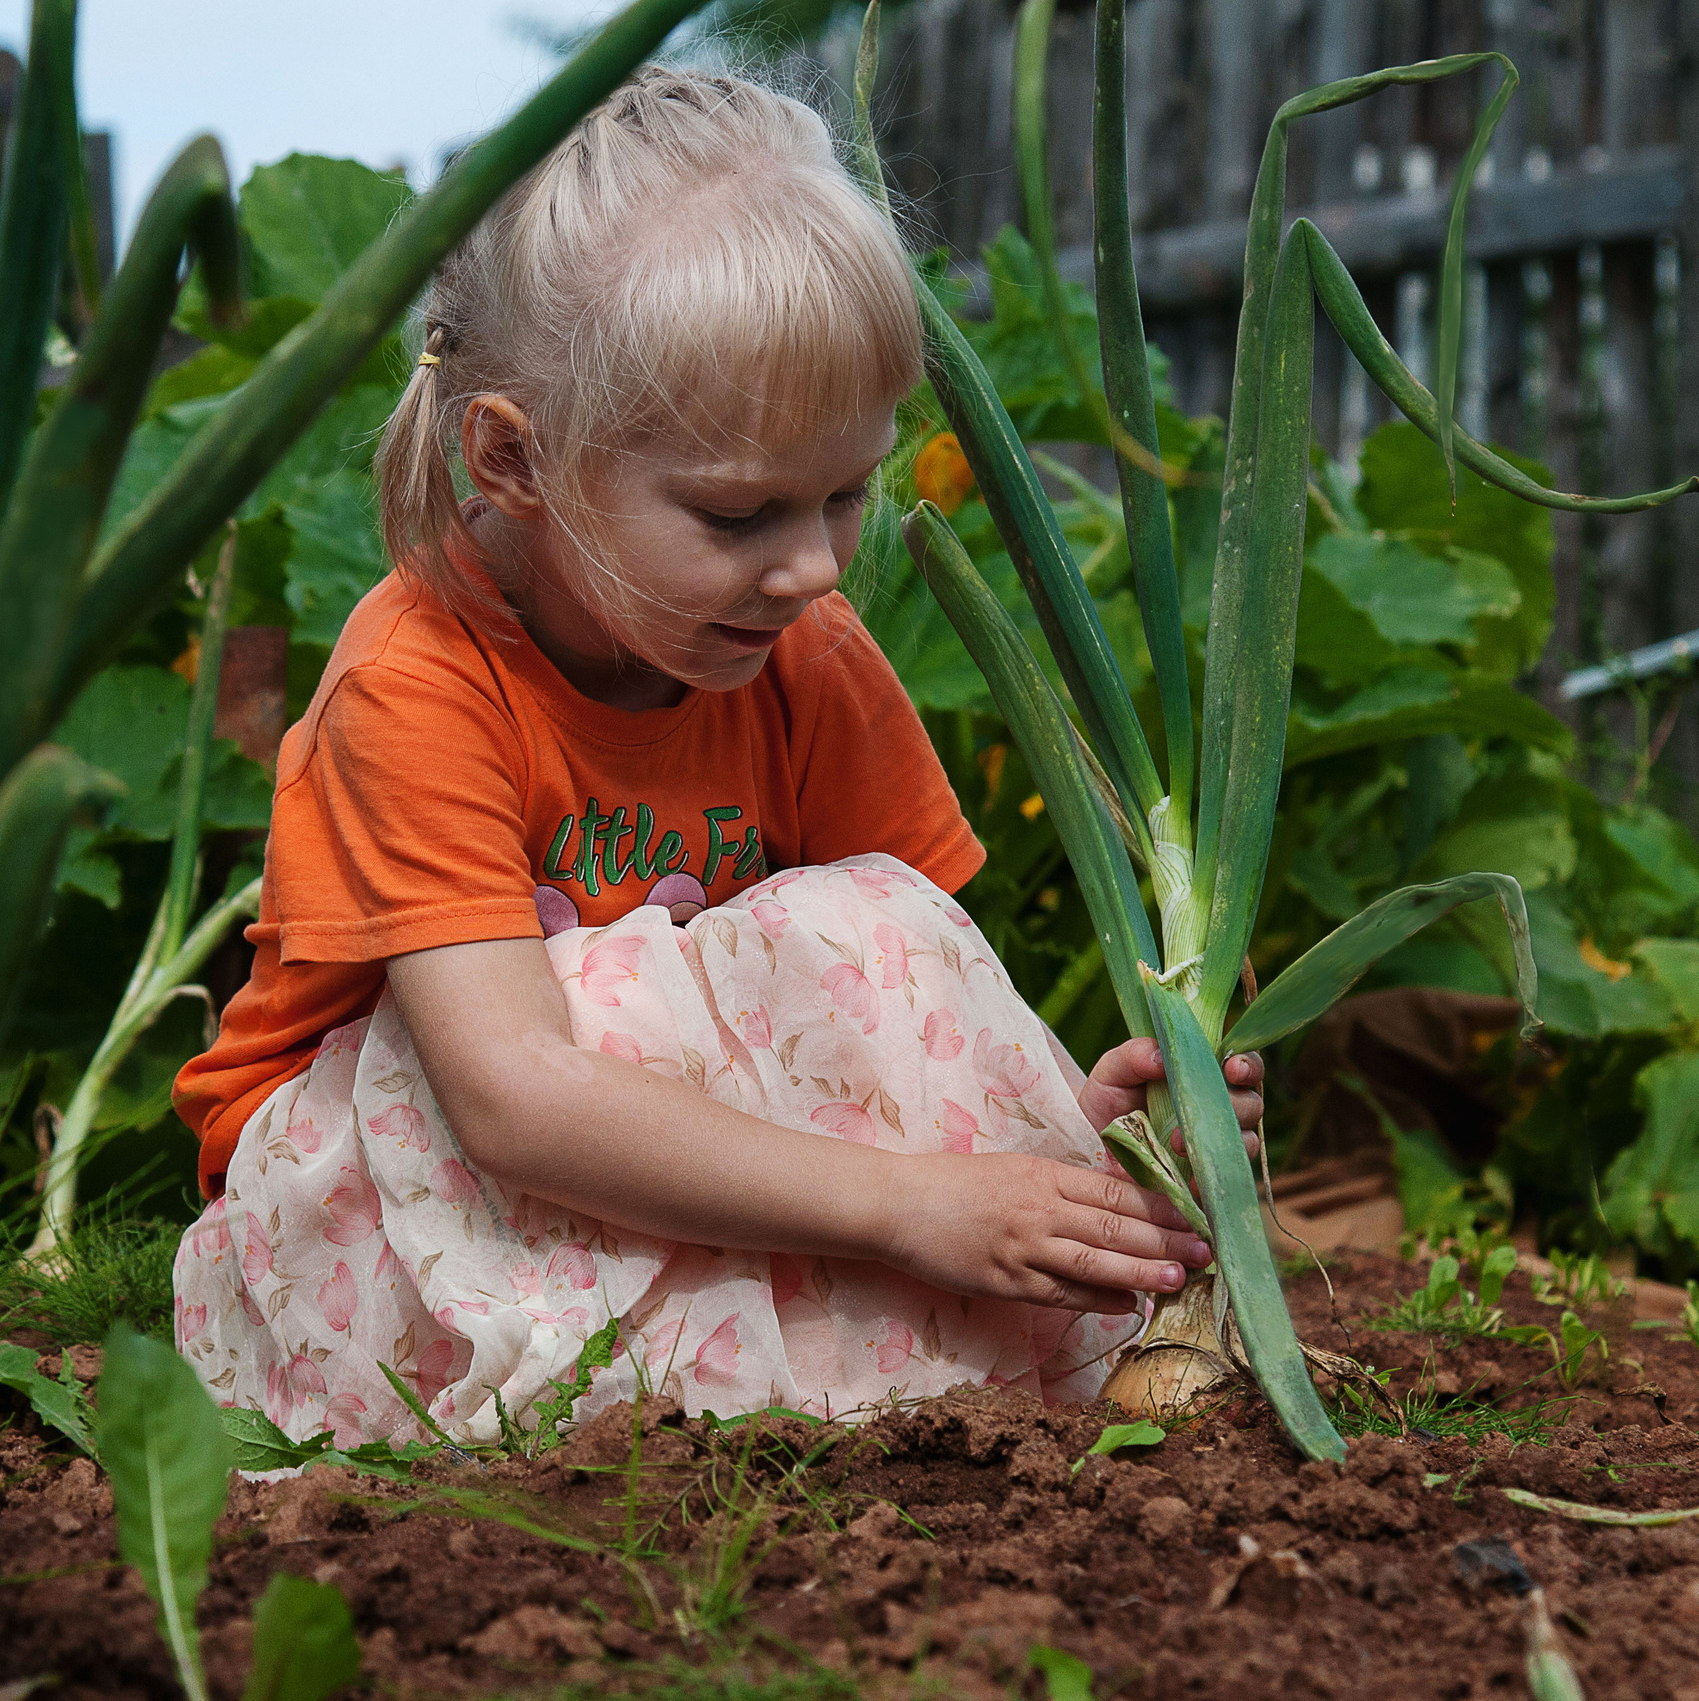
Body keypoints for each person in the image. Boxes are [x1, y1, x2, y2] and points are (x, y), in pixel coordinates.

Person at [166, 66, 1262, 1447]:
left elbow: (904, 1004)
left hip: (640, 1169)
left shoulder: (801, 646)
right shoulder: (419, 679)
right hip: (370, 1212)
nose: (809, 565)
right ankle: (684, 1402)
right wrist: (914, 1200)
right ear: (513, 459)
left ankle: (762, 1397)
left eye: (847, 493)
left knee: (875, 919)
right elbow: (510, 1097)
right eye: (739, 513)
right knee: (608, 1001)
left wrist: (1064, 1128)